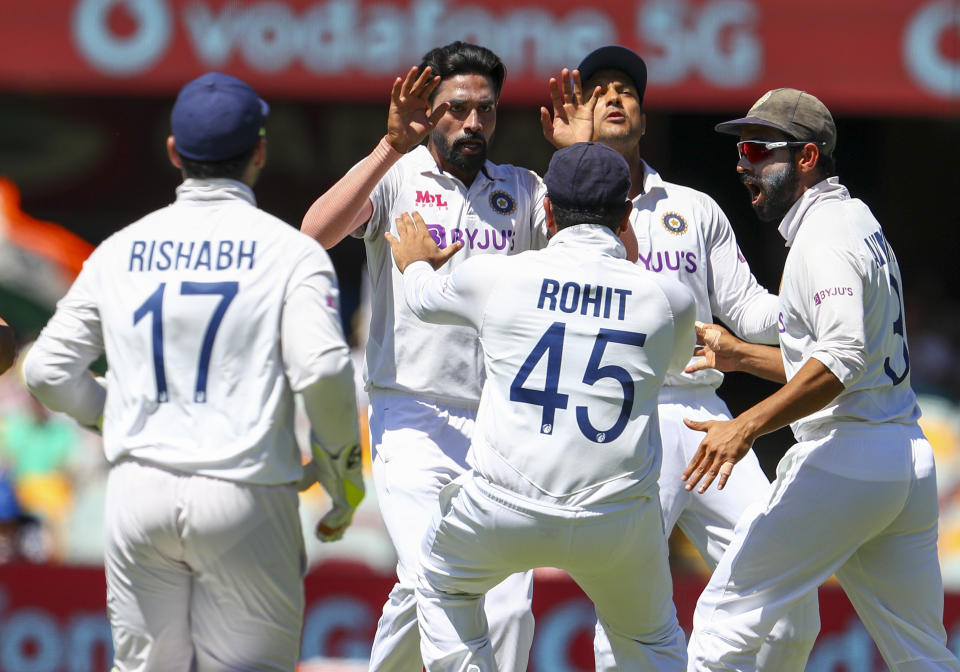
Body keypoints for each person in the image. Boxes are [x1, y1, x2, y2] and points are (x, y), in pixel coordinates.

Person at [23, 72, 362, 671]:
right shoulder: (291, 252)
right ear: (260, 150)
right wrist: (340, 474)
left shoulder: (120, 249)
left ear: (175, 152)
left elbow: (48, 372)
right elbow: (324, 367)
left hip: (137, 492)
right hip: (245, 492)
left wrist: (109, 415)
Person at [541, 46, 819, 668]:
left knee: (788, 600)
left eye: (628, 91)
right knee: (630, 604)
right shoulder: (552, 206)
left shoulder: (693, 209)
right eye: (599, 91)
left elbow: (747, 310)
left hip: (703, 415)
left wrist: (824, 308)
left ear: (644, 115)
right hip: (616, 417)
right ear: (579, 113)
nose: (616, 98)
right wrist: (568, 162)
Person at [388, 141, 696, 672]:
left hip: (502, 507)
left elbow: (419, 299)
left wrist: (415, 263)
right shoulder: (668, 296)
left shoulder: (496, 275)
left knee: (438, 583)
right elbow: (678, 361)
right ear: (627, 214)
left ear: (547, 211)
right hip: (616, 519)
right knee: (652, 643)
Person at [681, 88, 960, 671]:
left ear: (806, 158)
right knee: (922, 657)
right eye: (741, 150)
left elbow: (840, 361)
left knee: (722, 622)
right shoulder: (856, 220)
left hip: (845, 456)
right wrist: (740, 355)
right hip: (901, 460)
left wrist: (746, 426)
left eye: (759, 149)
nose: (743, 163)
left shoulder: (824, 236)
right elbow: (829, 355)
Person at [300, 41, 545, 672]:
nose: (472, 124)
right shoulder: (397, 175)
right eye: (457, 108)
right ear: (428, 110)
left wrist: (583, 156)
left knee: (506, 603)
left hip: (500, 422)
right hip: (409, 415)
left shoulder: (521, 189)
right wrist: (388, 146)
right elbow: (311, 237)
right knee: (439, 580)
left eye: (485, 110)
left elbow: (599, 248)